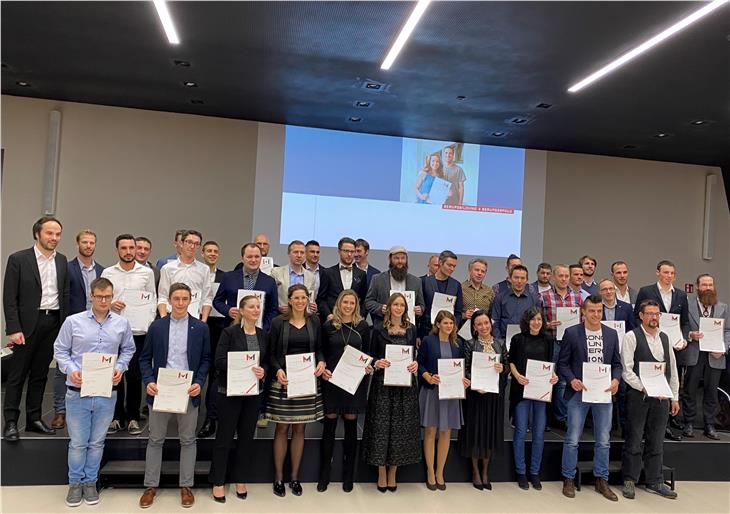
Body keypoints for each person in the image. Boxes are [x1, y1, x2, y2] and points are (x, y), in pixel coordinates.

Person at [53, 277, 135, 507]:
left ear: (112, 296)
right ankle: (75, 484)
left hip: (106, 391)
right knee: (78, 443)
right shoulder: (73, 322)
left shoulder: (121, 323)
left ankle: (91, 482)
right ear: (91, 296)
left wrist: (120, 367)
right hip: (77, 390)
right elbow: (60, 350)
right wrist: (71, 370)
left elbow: (128, 349)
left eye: (108, 296)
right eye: (99, 296)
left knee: (97, 442)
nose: (103, 300)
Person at [138, 282, 211, 509]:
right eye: (176, 299)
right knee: (156, 439)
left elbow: (206, 359)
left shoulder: (200, 328)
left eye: (184, 299)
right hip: (161, 390)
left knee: (188, 440)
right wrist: (149, 381)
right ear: (169, 301)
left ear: (191, 301)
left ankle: (186, 486)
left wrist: (199, 383)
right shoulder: (157, 326)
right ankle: (150, 486)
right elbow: (144, 358)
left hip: (188, 390)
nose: (180, 303)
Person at [3, 216, 69, 441]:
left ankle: (34, 419)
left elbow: (65, 295)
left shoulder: (61, 260)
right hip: (26, 325)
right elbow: (9, 297)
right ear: (37, 234)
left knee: (40, 375)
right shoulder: (19, 259)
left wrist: (64, 327)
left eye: (58, 234)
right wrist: (13, 328)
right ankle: (10, 422)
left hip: (52, 324)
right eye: (50, 233)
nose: (54, 238)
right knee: (17, 376)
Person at [558, 295, 622, 501]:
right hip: (578, 393)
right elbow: (563, 364)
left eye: (599, 311)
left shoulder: (612, 334)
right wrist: (571, 380)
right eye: (592, 311)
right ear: (583, 312)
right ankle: (568, 477)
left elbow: (617, 364)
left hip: (603, 394)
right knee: (572, 439)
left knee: (603, 441)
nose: (596, 315)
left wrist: (616, 381)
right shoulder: (571, 333)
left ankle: (601, 479)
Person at [267, 284, 326, 497]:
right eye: (296, 297)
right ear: (289, 300)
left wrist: (321, 362)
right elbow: (271, 354)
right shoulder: (277, 323)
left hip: (306, 382)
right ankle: (279, 478)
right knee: (282, 428)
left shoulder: (315, 321)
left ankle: (294, 477)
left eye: (304, 297)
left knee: (300, 429)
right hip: (284, 382)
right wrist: (278, 370)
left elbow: (319, 349)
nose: (300, 301)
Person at [214, 242, 279, 431]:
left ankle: (257, 411)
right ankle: (226, 412)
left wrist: (264, 328)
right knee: (232, 369)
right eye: (249, 256)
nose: (253, 260)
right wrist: (229, 310)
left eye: (257, 257)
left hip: (258, 335)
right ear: (242, 258)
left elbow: (273, 309)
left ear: (262, 258)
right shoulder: (229, 277)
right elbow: (217, 300)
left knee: (258, 370)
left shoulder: (269, 281)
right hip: (234, 332)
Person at [208, 295, 267, 503]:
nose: (255, 310)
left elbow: (266, 362)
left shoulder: (262, 334)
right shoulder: (229, 332)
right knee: (223, 439)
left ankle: (241, 479)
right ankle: (218, 482)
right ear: (241, 310)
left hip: (252, 395)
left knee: (246, 439)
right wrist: (241, 365)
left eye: (258, 307)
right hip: (230, 393)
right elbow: (219, 361)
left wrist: (263, 371)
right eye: (251, 307)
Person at [620, 299, 680, 500]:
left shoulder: (665, 338)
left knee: (656, 440)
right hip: (639, 396)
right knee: (634, 438)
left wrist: (675, 397)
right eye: (650, 314)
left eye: (657, 314)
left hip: (661, 397)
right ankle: (629, 479)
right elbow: (627, 371)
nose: (654, 317)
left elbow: (672, 371)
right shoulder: (631, 337)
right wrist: (644, 387)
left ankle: (655, 480)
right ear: (641, 316)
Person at [361, 293, 420, 492]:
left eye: (402, 305)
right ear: (389, 306)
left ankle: (393, 472)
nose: (398, 308)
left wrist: (415, 364)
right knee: (380, 428)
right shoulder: (377, 329)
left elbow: (414, 355)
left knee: (399, 430)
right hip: (382, 385)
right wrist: (377, 362)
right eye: (395, 304)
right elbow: (370, 357)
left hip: (405, 386)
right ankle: (381, 473)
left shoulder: (411, 329)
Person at [101, 234, 156, 436]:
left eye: (131, 248)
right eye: (123, 248)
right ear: (117, 250)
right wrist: (111, 304)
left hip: (138, 331)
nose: (128, 252)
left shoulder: (146, 272)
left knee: (134, 375)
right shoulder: (108, 272)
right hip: (113, 330)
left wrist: (148, 323)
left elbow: (152, 300)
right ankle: (116, 417)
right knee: (115, 374)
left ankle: (133, 417)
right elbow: (102, 299)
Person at [318, 290, 372, 493]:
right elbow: (321, 349)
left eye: (352, 302)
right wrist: (323, 366)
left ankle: (348, 476)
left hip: (354, 383)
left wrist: (369, 365)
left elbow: (368, 353)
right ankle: (324, 475)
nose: (348, 306)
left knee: (350, 427)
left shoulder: (363, 326)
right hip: (332, 380)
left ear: (356, 305)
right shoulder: (329, 325)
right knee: (329, 427)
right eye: (345, 302)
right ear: (339, 303)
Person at [52, 229, 104, 431]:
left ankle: (91, 408)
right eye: (85, 242)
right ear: (77, 244)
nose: (88, 246)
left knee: (94, 365)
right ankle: (60, 410)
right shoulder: (67, 268)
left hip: (98, 325)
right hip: (73, 324)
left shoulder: (102, 270)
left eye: (92, 242)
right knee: (62, 368)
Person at [634, 260, 689, 441]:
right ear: (658, 273)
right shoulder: (646, 291)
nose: (669, 276)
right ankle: (646, 426)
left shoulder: (681, 295)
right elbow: (637, 317)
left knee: (671, 382)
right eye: (665, 272)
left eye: (672, 273)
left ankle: (665, 425)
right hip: (650, 345)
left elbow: (685, 322)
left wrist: (684, 339)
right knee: (650, 386)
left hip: (673, 347)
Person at [508, 307, 557, 491]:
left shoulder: (548, 340)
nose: (536, 322)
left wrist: (554, 376)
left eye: (539, 319)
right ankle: (520, 471)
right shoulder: (518, 339)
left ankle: (534, 472)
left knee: (538, 433)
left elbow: (550, 364)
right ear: (527, 321)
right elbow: (510, 360)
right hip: (521, 389)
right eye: (533, 319)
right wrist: (517, 375)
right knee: (520, 430)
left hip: (541, 391)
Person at [418, 311, 467, 491]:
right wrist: (427, 376)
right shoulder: (428, 341)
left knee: (446, 432)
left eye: (451, 323)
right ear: (437, 324)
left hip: (451, 393)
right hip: (432, 391)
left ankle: (440, 472)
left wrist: (464, 379)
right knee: (431, 432)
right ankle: (430, 472)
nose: (449, 326)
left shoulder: (458, 343)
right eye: (445, 323)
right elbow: (419, 363)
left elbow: (462, 367)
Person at [460, 310, 507, 490]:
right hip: (476, 395)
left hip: (493, 396)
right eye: (479, 324)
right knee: (475, 432)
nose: (483, 327)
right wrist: (474, 382)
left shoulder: (500, 344)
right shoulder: (469, 344)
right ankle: (475, 471)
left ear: (491, 324)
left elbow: (507, 368)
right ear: (474, 327)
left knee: (489, 432)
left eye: (486, 323)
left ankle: (485, 471)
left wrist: (502, 368)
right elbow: (465, 368)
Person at [681, 274, 729, 440]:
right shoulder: (688, 305)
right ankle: (688, 423)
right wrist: (689, 335)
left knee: (711, 391)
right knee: (690, 390)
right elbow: (681, 326)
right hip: (694, 352)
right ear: (697, 286)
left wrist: (723, 348)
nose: (708, 288)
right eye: (704, 285)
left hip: (715, 355)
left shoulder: (723, 307)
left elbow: (728, 331)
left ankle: (710, 424)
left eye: (710, 285)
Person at [540, 264, 583, 429]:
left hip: (570, 345)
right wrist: (547, 325)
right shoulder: (544, 296)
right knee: (547, 379)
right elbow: (537, 322)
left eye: (566, 276)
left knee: (564, 381)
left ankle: (561, 417)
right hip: (551, 342)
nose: (564, 279)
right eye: (560, 276)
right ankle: (544, 418)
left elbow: (582, 321)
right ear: (553, 277)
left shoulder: (578, 297)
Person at [598, 277, 635, 436]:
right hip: (602, 354)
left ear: (615, 290)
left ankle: (624, 426)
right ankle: (609, 425)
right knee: (606, 390)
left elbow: (632, 329)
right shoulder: (596, 307)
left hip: (622, 353)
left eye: (610, 289)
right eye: (604, 289)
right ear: (600, 292)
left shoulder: (626, 308)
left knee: (622, 390)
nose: (608, 292)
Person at [198, 240, 226, 438]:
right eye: (209, 251)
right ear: (202, 253)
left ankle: (211, 417)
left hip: (217, 328)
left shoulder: (225, 277)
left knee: (215, 372)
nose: (212, 254)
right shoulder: (197, 273)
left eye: (216, 251)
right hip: (196, 325)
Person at [157, 229, 213, 321]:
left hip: (195, 319)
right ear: (181, 243)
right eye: (189, 242)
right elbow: (163, 297)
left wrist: (203, 321)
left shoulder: (204, 269)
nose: (192, 246)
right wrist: (164, 320)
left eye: (196, 244)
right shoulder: (167, 268)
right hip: (171, 318)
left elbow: (207, 298)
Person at [365, 245, 425, 326]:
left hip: (408, 329)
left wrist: (420, 309)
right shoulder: (377, 279)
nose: (400, 261)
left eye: (403, 258)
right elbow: (368, 302)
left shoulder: (416, 281)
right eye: (396, 258)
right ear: (390, 259)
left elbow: (421, 305)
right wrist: (380, 308)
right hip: (383, 328)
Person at [317, 237, 368, 321]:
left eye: (352, 251)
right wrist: (328, 315)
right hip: (332, 320)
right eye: (346, 251)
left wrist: (360, 316)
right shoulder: (327, 273)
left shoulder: (361, 274)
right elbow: (321, 299)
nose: (349, 254)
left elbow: (364, 299)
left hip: (354, 322)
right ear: (339, 251)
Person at [420, 250, 463, 339]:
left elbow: (458, 312)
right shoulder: (425, 282)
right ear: (440, 263)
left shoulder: (456, 285)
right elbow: (422, 308)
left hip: (448, 333)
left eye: (454, 266)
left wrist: (454, 328)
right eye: (449, 265)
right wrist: (418, 335)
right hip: (427, 331)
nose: (452, 269)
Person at [491, 264, 540, 340]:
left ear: (527, 280)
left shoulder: (534, 299)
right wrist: (499, 341)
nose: (519, 281)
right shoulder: (500, 298)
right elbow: (495, 321)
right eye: (516, 278)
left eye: (522, 278)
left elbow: (538, 322)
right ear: (510, 279)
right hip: (504, 340)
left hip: (527, 341)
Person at [270, 240, 317, 314]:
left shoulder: (311, 277)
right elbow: (270, 297)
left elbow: (311, 300)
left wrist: (313, 307)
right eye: (295, 252)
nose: (299, 255)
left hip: (303, 318)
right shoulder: (276, 272)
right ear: (289, 254)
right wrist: (278, 307)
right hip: (282, 317)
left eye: (302, 252)